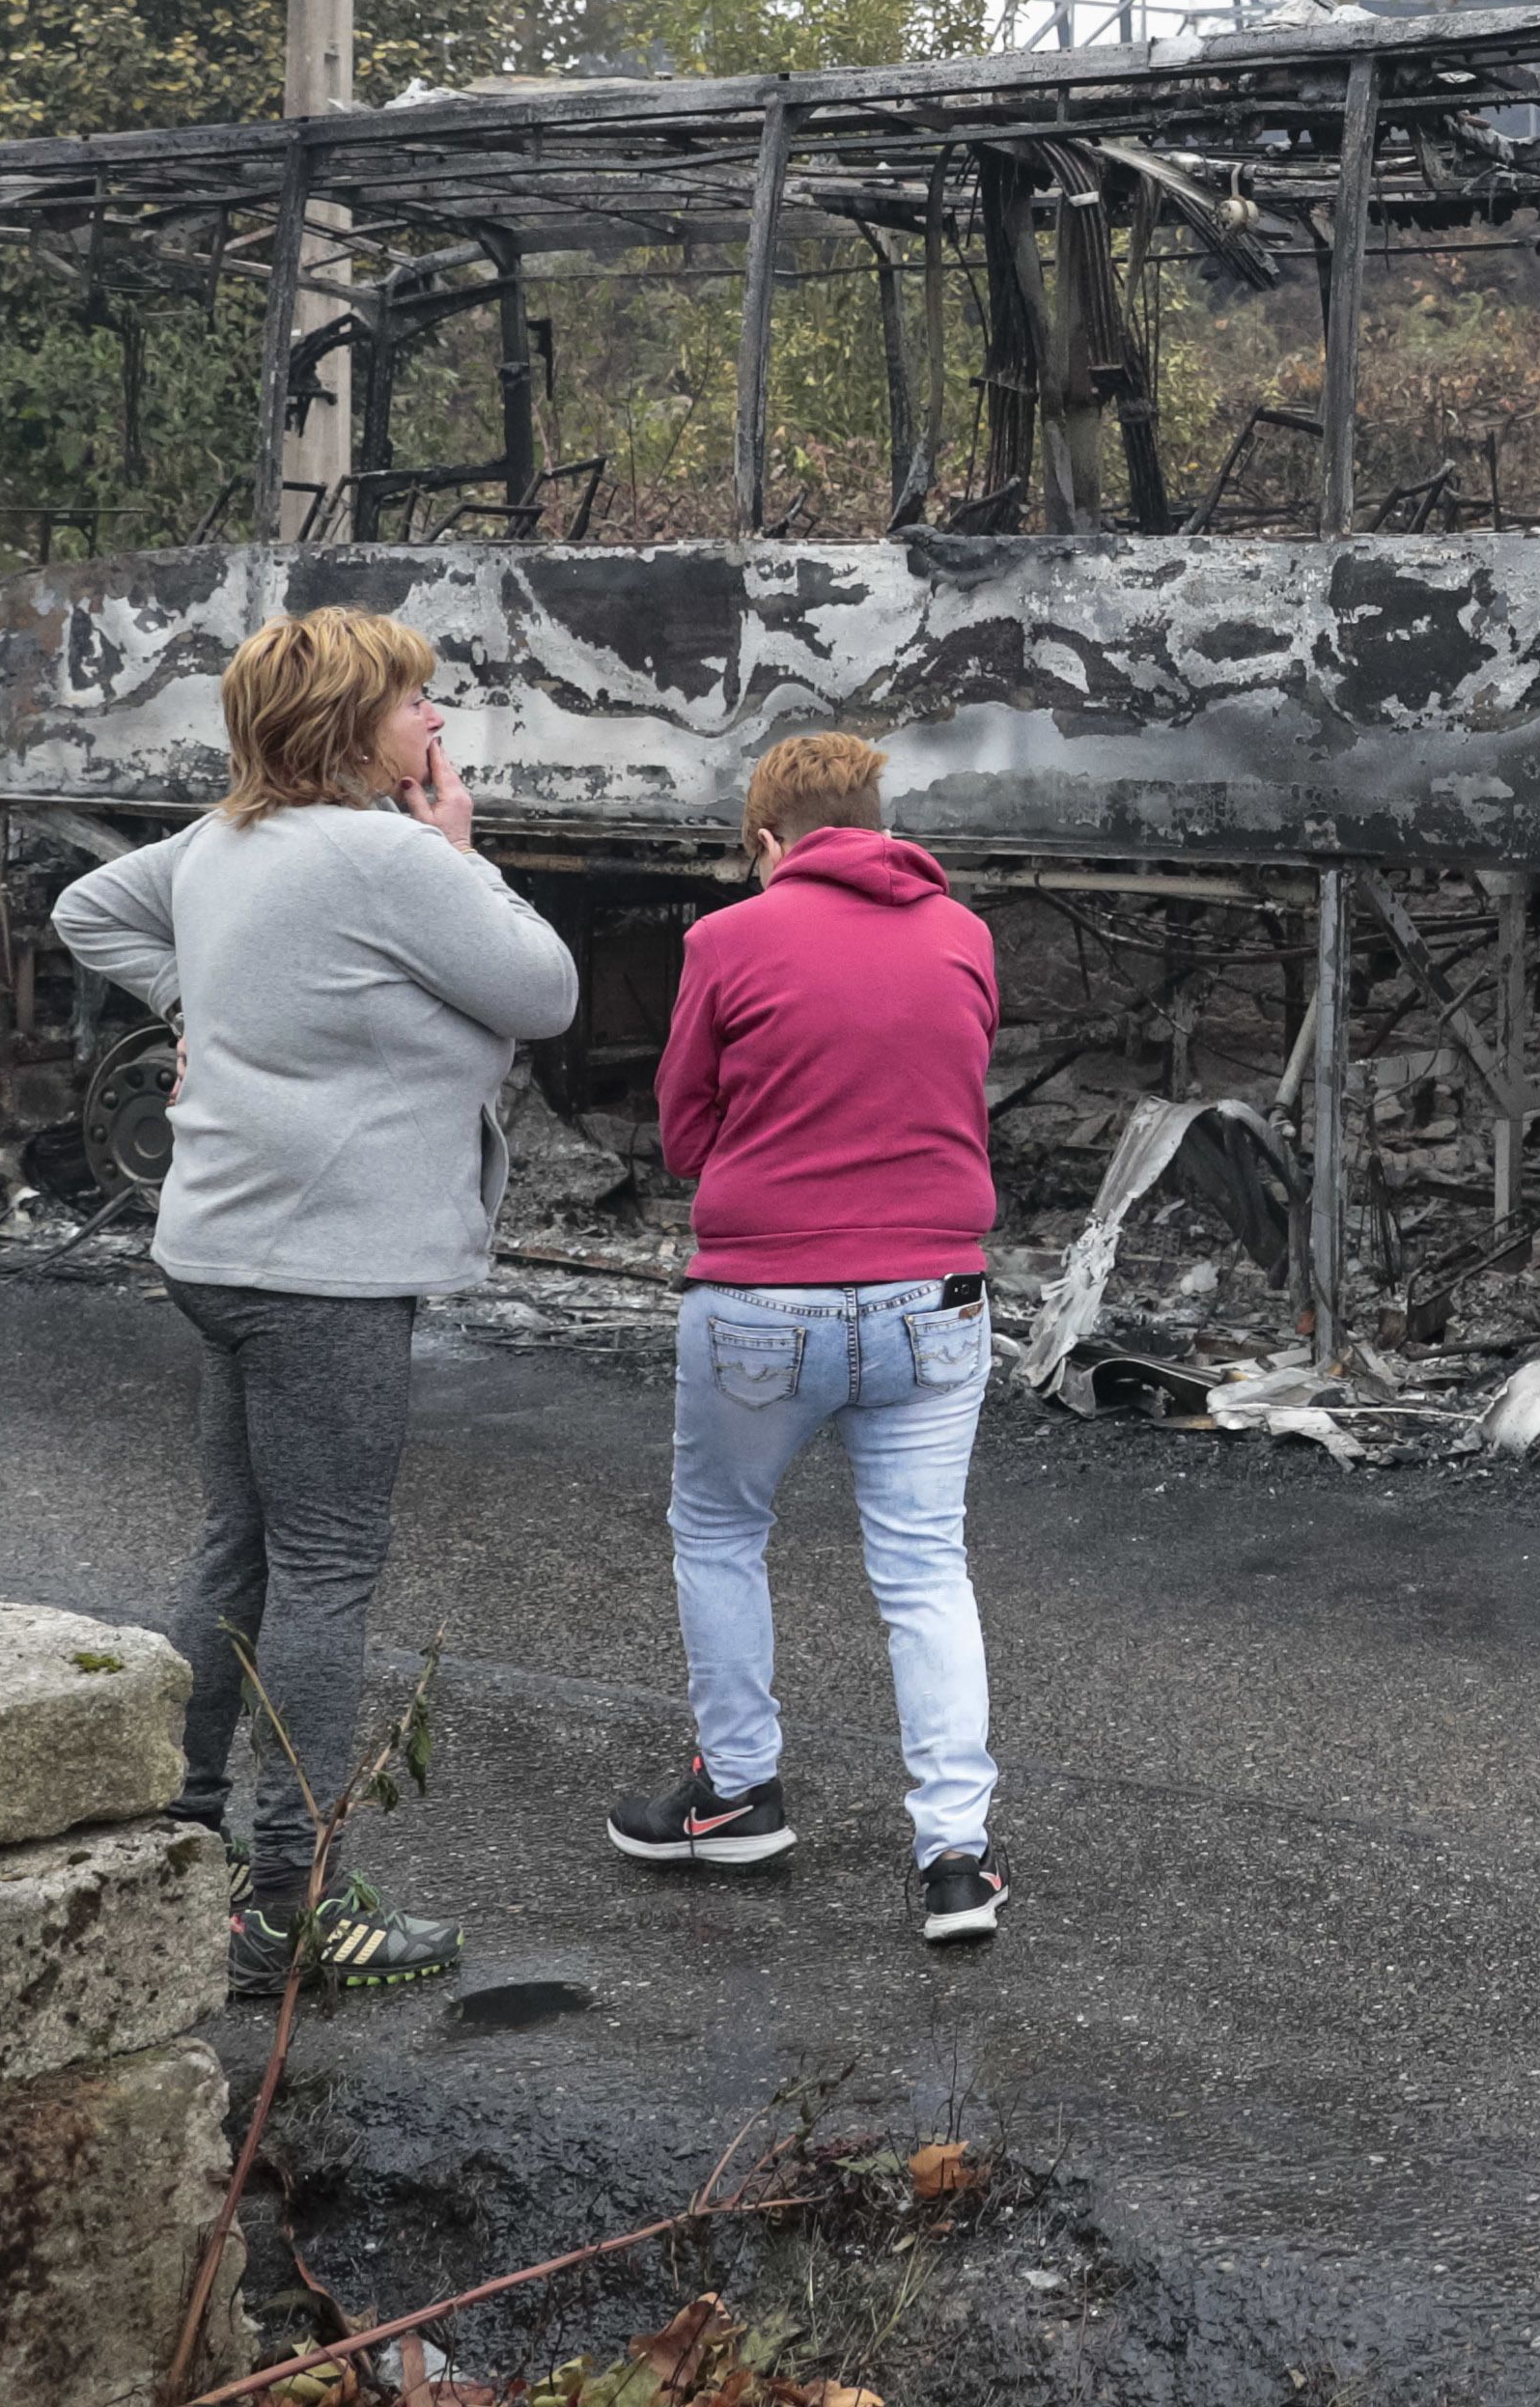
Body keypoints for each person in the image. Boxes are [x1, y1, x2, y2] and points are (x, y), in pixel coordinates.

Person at [54, 605, 578, 1999]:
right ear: (355, 727)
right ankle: (292, 1902)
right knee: (327, 1568)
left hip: (218, 1250)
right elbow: (547, 991)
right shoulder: (389, 855)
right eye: (416, 701)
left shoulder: (225, 842)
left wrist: (205, 1016)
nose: (438, 724)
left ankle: (169, 1820)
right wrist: (461, 852)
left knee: (240, 1541)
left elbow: (88, 908)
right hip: (324, 1270)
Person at [608, 729, 1010, 1945]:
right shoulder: (965, 933)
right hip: (937, 1294)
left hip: (764, 1300)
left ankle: (737, 1795)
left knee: (723, 1533)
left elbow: (683, 1135)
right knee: (924, 1567)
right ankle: (955, 1862)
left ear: (770, 843)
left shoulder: (726, 938)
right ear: (879, 822)